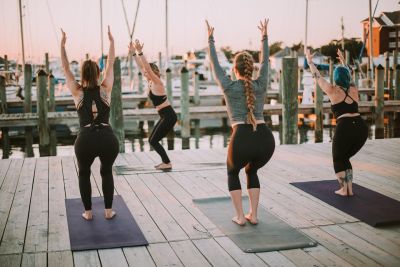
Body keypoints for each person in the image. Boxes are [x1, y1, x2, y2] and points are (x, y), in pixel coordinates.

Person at [207, 20, 275, 225]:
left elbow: (215, 64)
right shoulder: (261, 83)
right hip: (265, 140)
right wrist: (264, 37)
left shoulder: (228, 85)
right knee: (251, 170)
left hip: (242, 138)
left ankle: (240, 216)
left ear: (235, 70)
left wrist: (210, 39)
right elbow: (265, 63)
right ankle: (253, 215)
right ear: (250, 69)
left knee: (232, 171)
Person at [61, 26, 119, 220]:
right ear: (97, 73)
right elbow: (110, 64)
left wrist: (62, 45)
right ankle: (109, 211)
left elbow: (66, 68)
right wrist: (111, 42)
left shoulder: (77, 92)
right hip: (107, 139)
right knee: (106, 172)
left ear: (83, 75)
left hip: (85, 140)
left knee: (84, 173)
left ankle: (88, 212)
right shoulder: (105, 89)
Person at [305, 49, 368, 196]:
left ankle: (344, 189)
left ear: (335, 77)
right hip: (361, 128)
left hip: (345, 126)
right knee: (345, 157)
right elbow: (349, 76)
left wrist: (310, 61)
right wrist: (344, 63)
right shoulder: (353, 89)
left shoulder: (332, 90)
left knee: (338, 158)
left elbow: (317, 76)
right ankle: (349, 189)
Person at [129, 39, 177, 170]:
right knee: (152, 140)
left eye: (147, 72)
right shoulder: (150, 82)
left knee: (153, 140)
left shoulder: (157, 82)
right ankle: (166, 162)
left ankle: (167, 163)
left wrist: (140, 52)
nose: (145, 73)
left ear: (153, 72)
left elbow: (147, 68)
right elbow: (142, 67)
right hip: (165, 116)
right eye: (144, 72)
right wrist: (134, 53)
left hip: (169, 116)